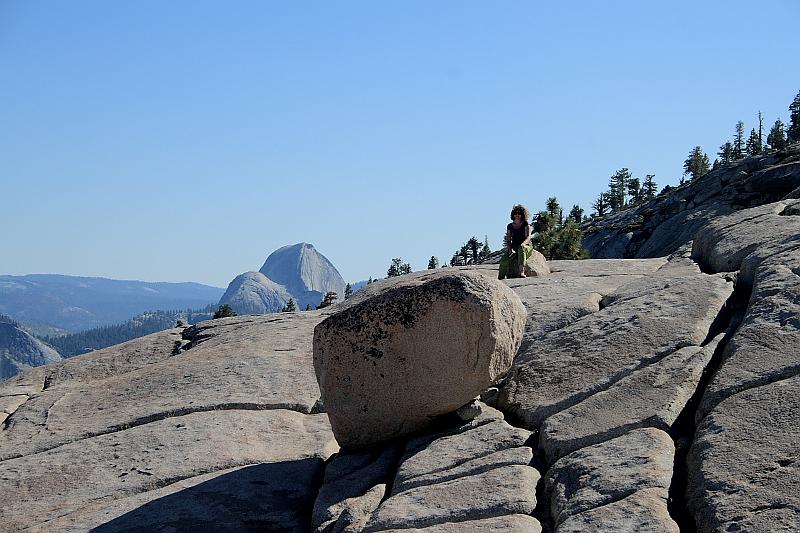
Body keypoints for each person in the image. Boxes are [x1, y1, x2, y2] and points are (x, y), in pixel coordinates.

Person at [499, 204, 533, 280]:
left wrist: (523, 244)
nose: (517, 215)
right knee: (504, 259)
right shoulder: (510, 226)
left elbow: (528, 237)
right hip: (514, 246)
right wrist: (510, 248)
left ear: (522, 214)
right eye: (516, 213)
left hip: (526, 246)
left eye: (519, 213)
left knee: (521, 249)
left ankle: (521, 272)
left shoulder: (526, 224)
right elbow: (508, 239)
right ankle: (500, 278)